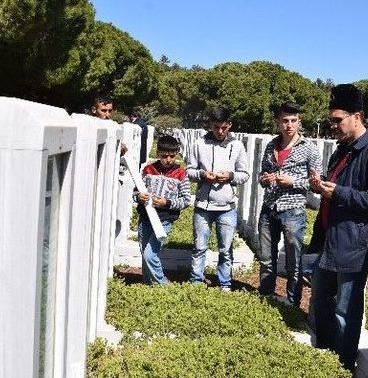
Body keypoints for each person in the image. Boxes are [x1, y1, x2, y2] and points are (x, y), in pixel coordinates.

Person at [307, 83, 368, 371]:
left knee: (346, 310)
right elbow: (338, 187)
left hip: (355, 245)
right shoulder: (342, 149)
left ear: (356, 117)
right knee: (320, 300)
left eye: (337, 120)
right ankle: (325, 356)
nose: (332, 125)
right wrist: (321, 186)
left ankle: (343, 365)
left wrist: (339, 193)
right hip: (331, 239)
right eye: (331, 119)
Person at [257, 102, 321, 306]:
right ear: (278, 122)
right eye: (285, 121)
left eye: (293, 121)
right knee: (266, 257)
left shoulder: (309, 149)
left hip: (293, 210)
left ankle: (292, 303)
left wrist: (294, 182)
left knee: (294, 260)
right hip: (269, 208)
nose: (289, 125)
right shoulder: (271, 146)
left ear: (299, 122)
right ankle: (266, 295)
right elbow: (261, 174)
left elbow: (316, 183)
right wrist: (264, 179)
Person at [187, 108, 250, 290]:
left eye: (224, 127)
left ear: (229, 125)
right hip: (203, 205)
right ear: (210, 125)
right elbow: (189, 171)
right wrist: (202, 174)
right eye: (216, 127)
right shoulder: (199, 144)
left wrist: (230, 176)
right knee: (199, 246)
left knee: (226, 248)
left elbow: (244, 174)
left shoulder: (237, 146)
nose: (220, 131)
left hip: (227, 207)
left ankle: (224, 283)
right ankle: (196, 282)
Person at [135, 135, 191, 284]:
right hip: (146, 218)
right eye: (164, 156)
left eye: (172, 156)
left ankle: (162, 284)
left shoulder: (181, 174)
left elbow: (186, 200)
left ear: (177, 154)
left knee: (150, 254)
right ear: (158, 153)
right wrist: (139, 197)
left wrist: (167, 203)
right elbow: (136, 191)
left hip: (165, 219)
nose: (168, 160)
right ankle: (148, 284)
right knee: (144, 252)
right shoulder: (148, 170)